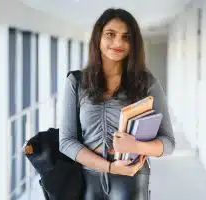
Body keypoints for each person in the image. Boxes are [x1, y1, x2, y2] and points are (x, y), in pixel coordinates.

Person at [59, 8, 175, 200]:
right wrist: (109, 167)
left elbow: (168, 143)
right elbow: (66, 141)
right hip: (87, 175)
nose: (118, 43)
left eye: (126, 37)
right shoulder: (76, 81)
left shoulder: (147, 83)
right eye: (110, 35)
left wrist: (137, 146)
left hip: (132, 175)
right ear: (98, 38)